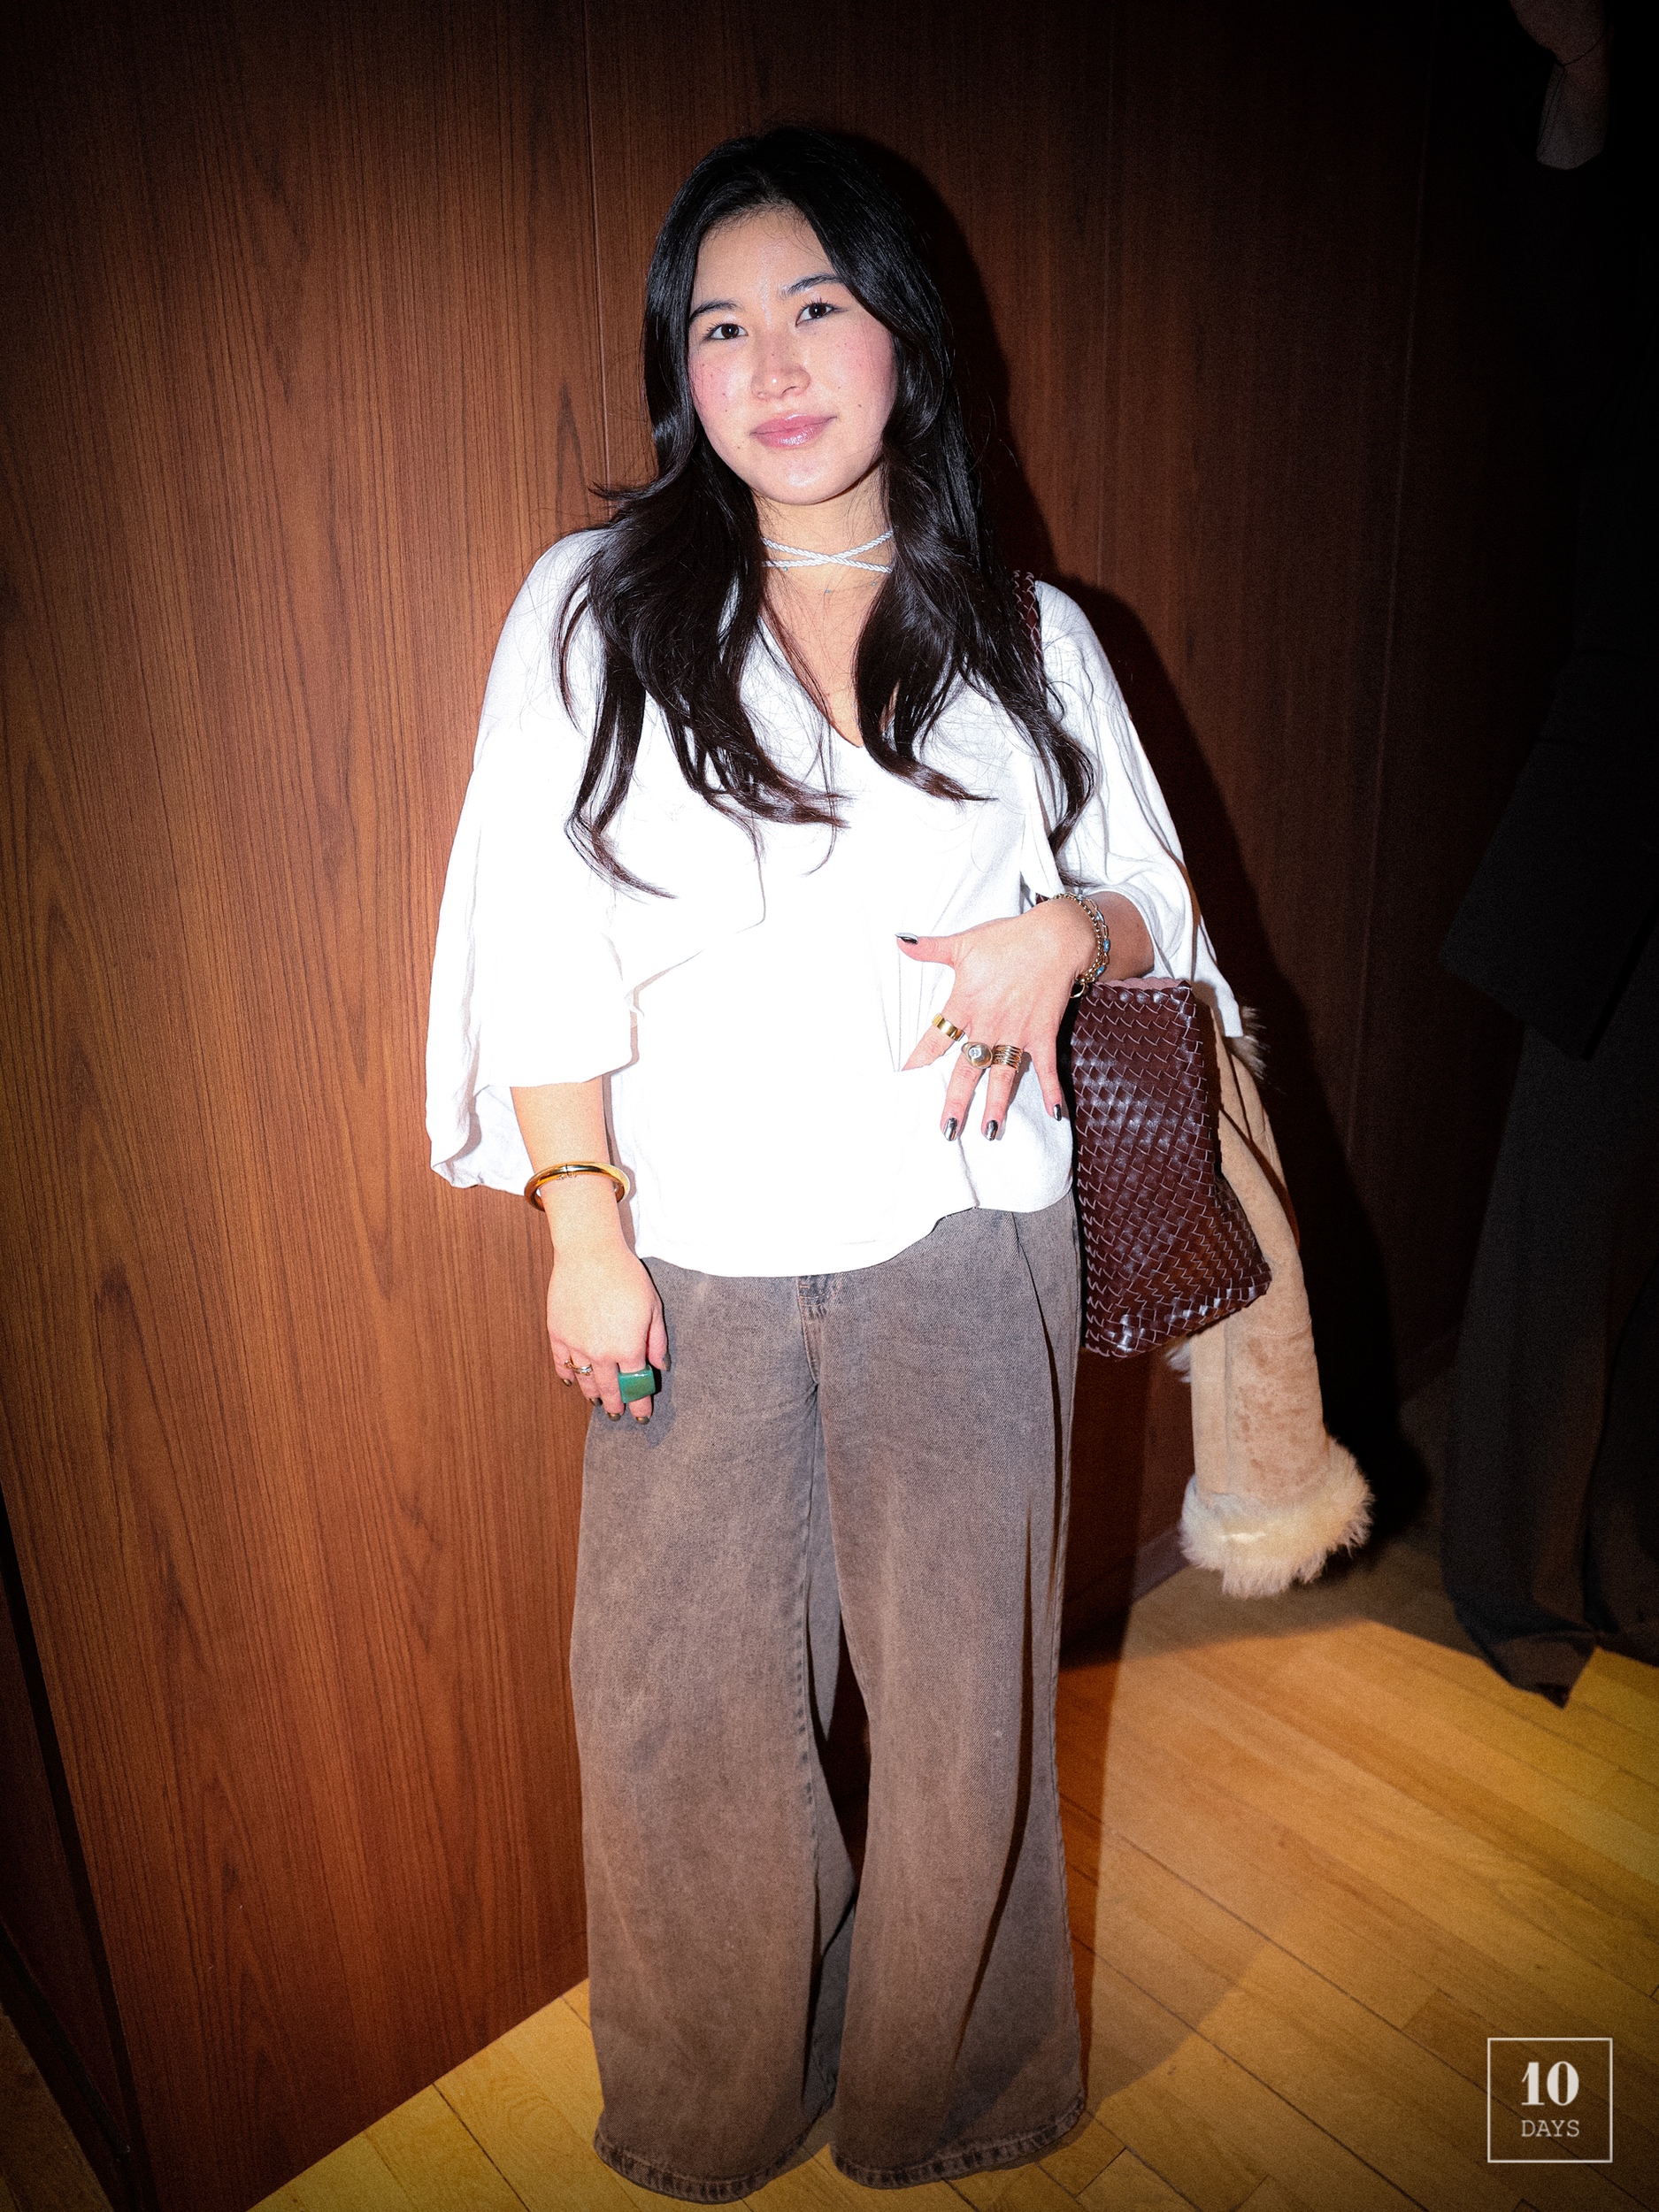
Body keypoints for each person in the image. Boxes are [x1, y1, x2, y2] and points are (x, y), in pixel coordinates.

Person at [426, 127, 1240, 2201]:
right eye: (719, 326)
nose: (771, 364)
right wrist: (579, 1219)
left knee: (963, 1711)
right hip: (688, 1256)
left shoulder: (1030, 633)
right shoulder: (592, 607)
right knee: (673, 1709)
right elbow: (532, 931)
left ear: (903, 340)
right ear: (676, 370)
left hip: (966, 1243)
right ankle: (708, 2100)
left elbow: (1157, 909)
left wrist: (1061, 933)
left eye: (815, 306)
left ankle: (946, 2091)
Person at [1440, 0, 1656, 1704]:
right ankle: (1521, 1580)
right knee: (1569, 1195)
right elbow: (1585, 351)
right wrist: (1586, 87)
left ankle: (1635, 1563)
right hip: (1638, 787)